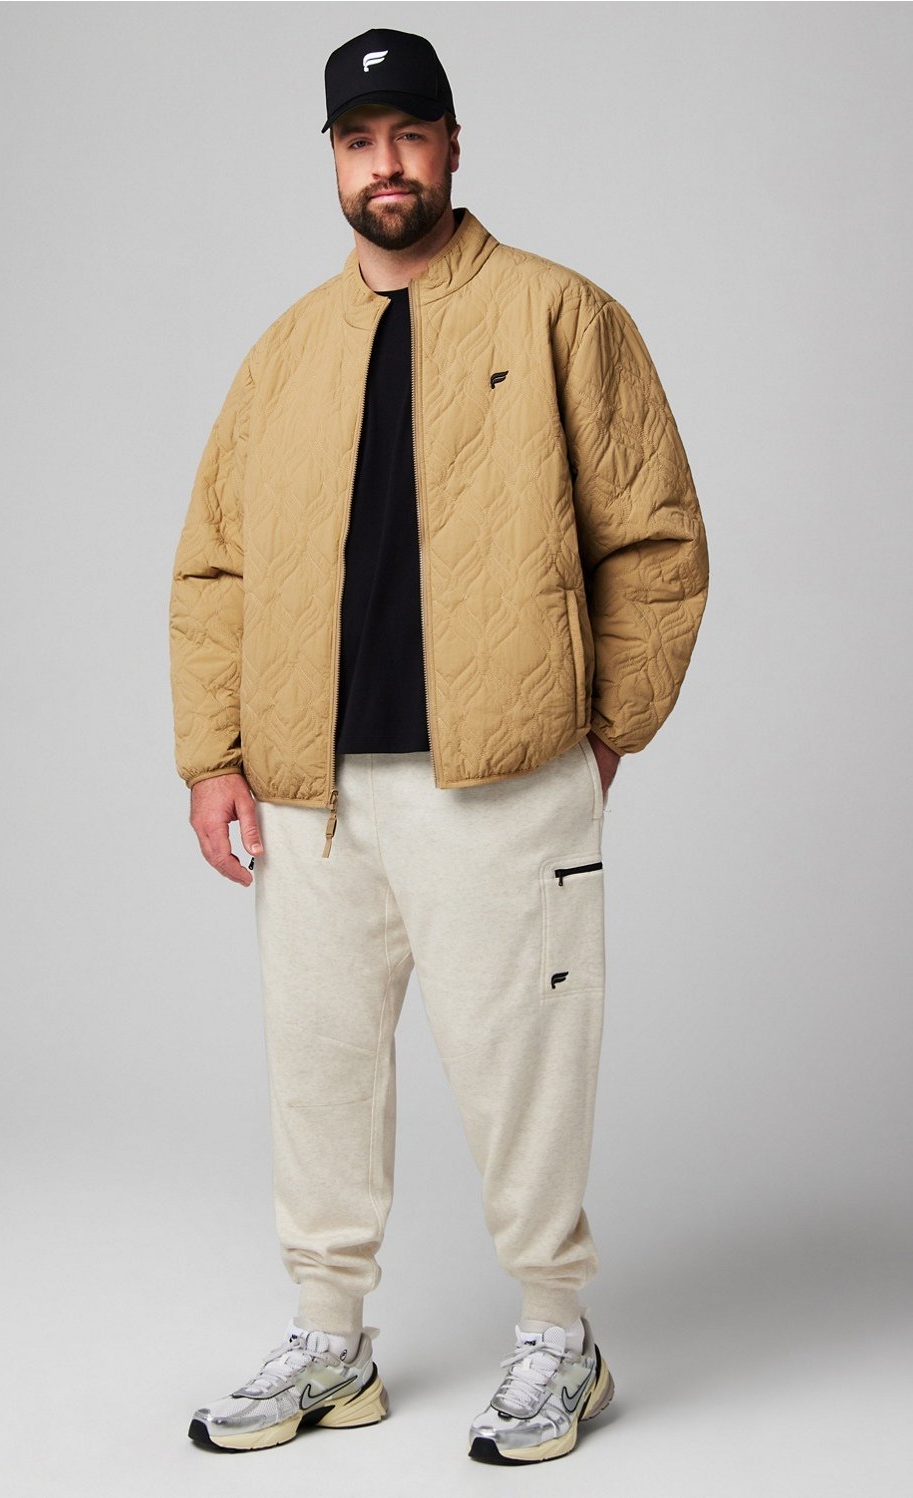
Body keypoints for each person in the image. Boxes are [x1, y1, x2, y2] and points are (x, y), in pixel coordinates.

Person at [169, 26, 709, 1467]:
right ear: (334, 162)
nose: (387, 165)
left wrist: (606, 726)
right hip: (313, 789)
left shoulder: (559, 314)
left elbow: (655, 538)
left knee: (525, 1066)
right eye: (360, 142)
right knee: (318, 1071)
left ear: (454, 145)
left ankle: (558, 1336)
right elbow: (214, 566)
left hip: (502, 778)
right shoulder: (286, 351)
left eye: (410, 134)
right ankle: (329, 1341)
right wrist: (212, 756)